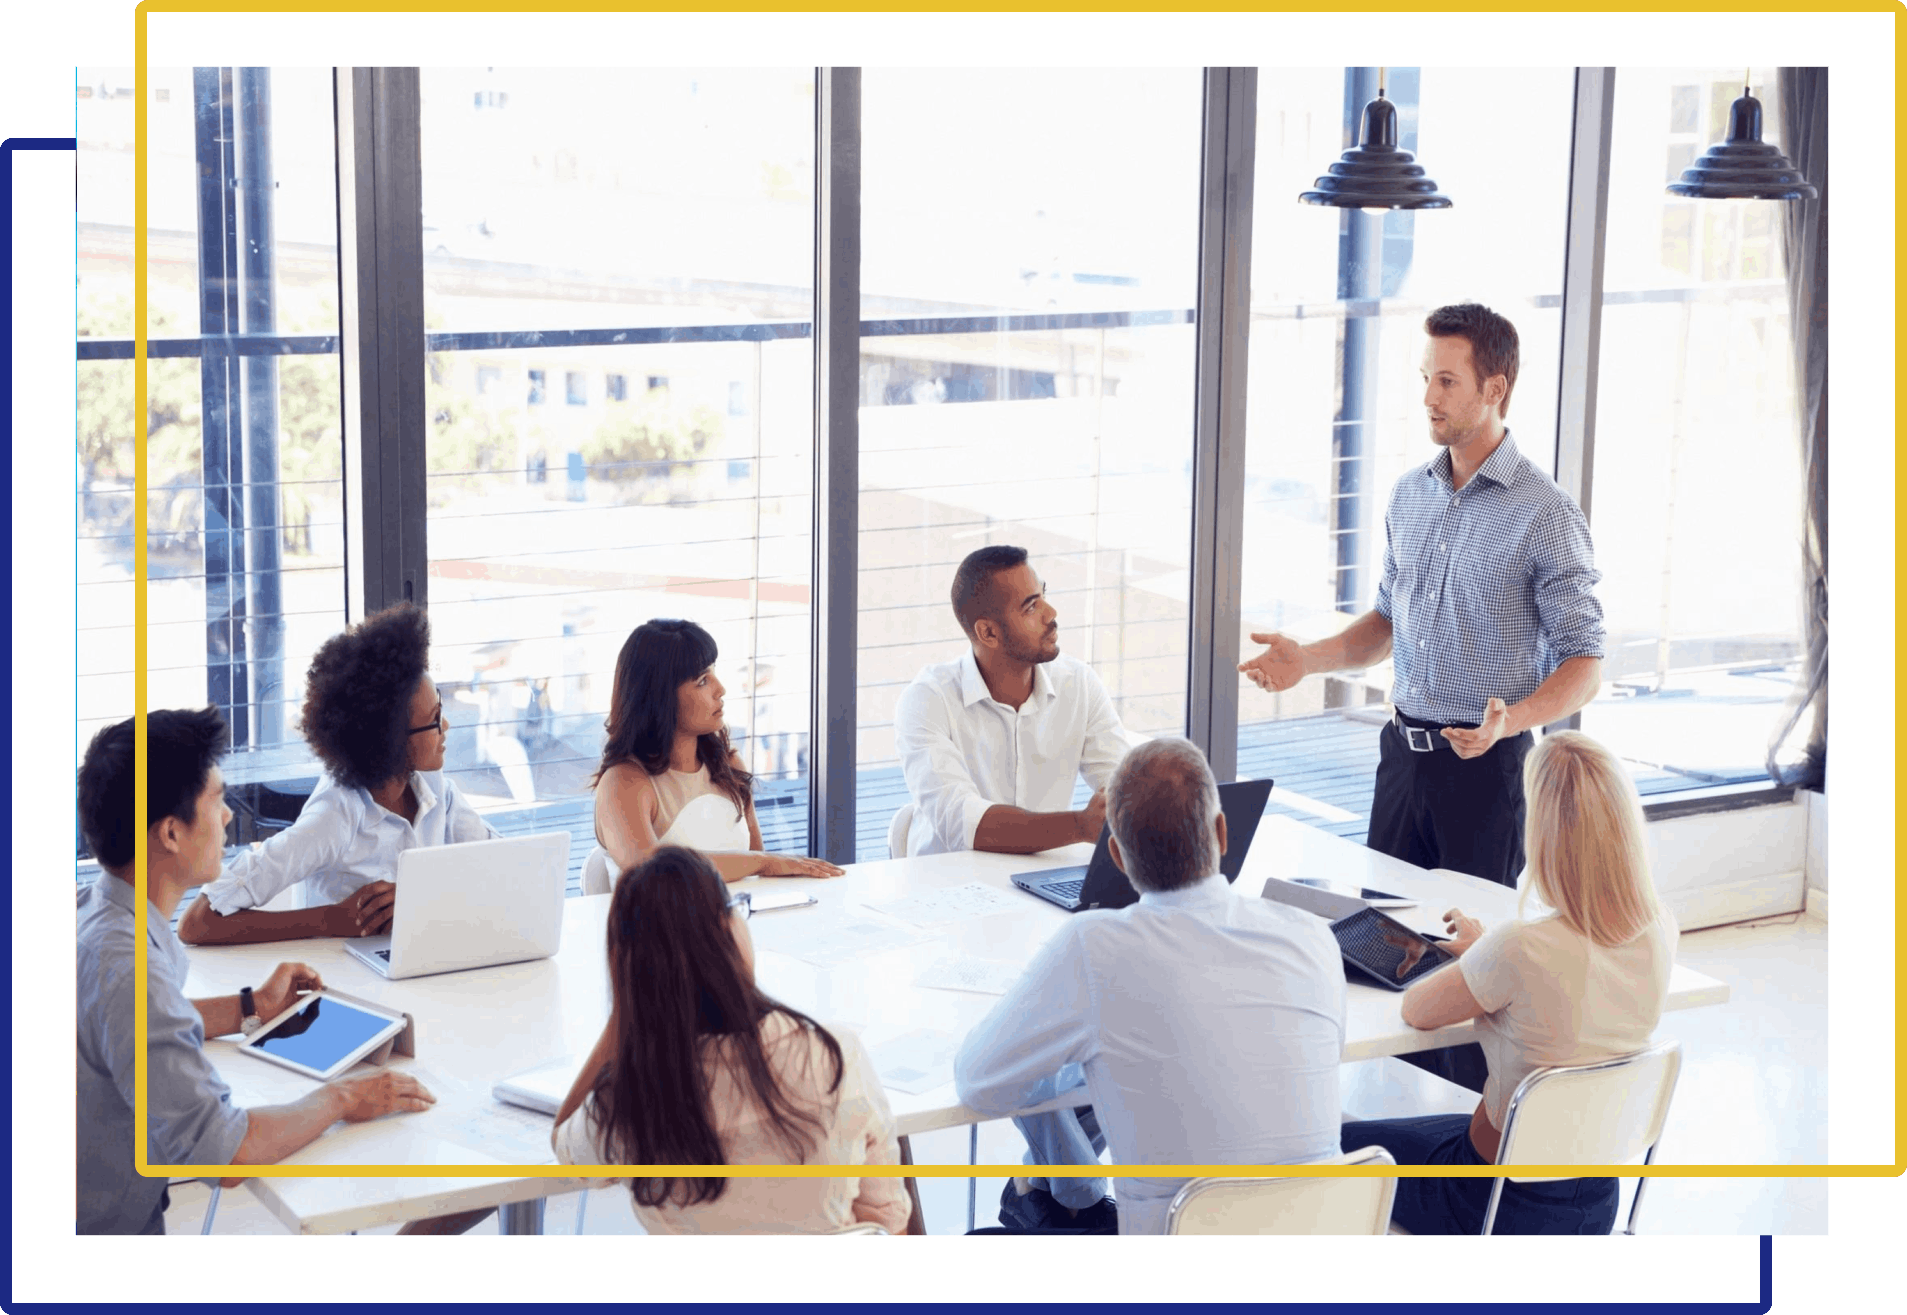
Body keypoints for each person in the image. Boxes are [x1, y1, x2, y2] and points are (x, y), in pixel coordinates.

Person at [1239, 302, 1606, 891]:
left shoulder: (1547, 513)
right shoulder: (1410, 495)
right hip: (1401, 761)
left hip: (1487, 771)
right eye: (1425, 378)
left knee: (1470, 956)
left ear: (1494, 388)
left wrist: (1510, 721)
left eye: (1446, 381)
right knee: (1379, 937)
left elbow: (1585, 663)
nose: (1428, 397)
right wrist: (1308, 659)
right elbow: (1388, 621)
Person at [953, 737, 1345, 1236]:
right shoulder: (1310, 935)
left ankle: (1067, 1191)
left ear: (1115, 853)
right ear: (1222, 834)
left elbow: (979, 1084)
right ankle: (1067, 1189)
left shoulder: (1095, 949)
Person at [76, 708, 437, 1235]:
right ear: (171, 833)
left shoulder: (99, 913)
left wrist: (250, 1008)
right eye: (217, 799)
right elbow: (226, 1151)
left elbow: (121, 1027)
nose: (227, 817)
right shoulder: (127, 967)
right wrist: (344, 1097)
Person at [1339, 731, 1678, 1236]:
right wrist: (1487, 957)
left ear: (1544, 833)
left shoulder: (1521, 946)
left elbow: (1418, 1011)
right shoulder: (1659, 930)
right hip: (1599, 1200)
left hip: (1490, 1203)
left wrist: (1483, 956)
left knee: (1339, 1142)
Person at [551, 846, 918, 1235]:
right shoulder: (832, 1055)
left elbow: (566, 1147)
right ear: (727, 930)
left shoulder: (628, 1099)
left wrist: (626, 1010)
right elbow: (888, 1218)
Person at [179, 602, 499, 946]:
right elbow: (197, 922)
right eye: (434, 719)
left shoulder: (436, 792)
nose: (446, 726)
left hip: (421, 959)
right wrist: (330, 920)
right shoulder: (334, 818)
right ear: (390, 741)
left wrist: (424, 894)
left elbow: (500, 865)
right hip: (347, 983)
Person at [893, 544, 1134, 859]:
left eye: (1043, 595)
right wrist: (1079, 825)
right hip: (948, 887)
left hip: (1044, 882)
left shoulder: (1079, 684)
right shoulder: (927, 699)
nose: (1051, 613)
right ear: (989, 633)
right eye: (1031, 607)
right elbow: (963, 822)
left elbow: (1123, 786)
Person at [593, 619, 843, 884]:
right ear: (659, 698)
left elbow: (757, 872)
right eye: (702, 681)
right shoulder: (624, 782)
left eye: (714, 672)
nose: (720, 689)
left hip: (738, 920)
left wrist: (763, 865)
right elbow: (650, 871)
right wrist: (764, 862)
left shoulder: (730, 765)